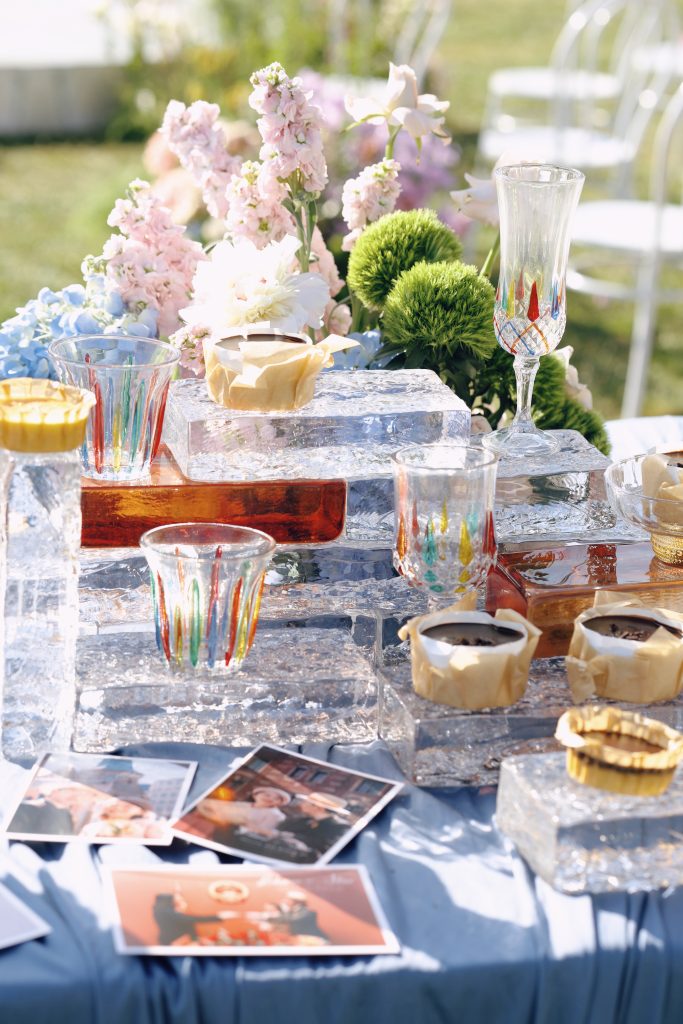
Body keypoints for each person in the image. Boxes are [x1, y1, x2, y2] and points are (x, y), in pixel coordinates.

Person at [196, 786, 292, 839]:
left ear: (280, 803)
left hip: (236, 837)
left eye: (276, 798)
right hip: (216, 828)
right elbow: (216, 806)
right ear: (256, 795)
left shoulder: (275, 815)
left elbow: (265, 834)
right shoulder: (244, 805)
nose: (270, 798)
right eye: (267, 795)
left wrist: (244, 823)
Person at [152, 892, 232, 946]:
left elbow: (190, 931)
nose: (183, 904)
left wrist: (199, 940)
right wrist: (218, 917)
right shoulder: (165, 913)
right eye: (177, 902)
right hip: (175, 945)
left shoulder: (176, 915)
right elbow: (193, 920)